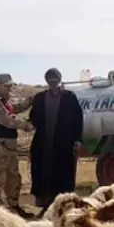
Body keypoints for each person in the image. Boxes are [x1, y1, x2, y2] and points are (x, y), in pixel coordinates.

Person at [27, 67, 84, 214]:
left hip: (64, 143)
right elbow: (33, 118)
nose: (53, 84)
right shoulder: (40, 98)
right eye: (50, 81)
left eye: (55, 81)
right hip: (43, 143)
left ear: (59, 80)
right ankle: (46, 206)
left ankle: (63, 205)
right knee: (44, 173)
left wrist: (77, 140)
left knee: (63, 173)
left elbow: (78, 119)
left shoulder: (69, 97)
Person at [0, 73, 32, 216]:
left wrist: (30, 101)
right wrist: (24, 125)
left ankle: (13, 206)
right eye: (7, 86)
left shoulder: (5, 102)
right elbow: (5, 120)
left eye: (11, 85)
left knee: (13, 177)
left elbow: (15, 109)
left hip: (9, 145)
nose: (10, 88)